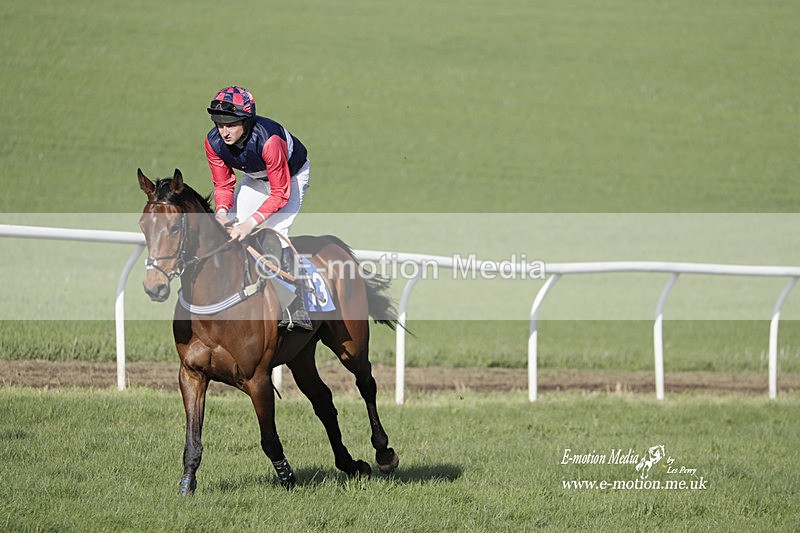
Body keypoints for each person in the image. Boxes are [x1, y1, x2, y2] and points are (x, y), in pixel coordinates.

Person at [204, 85, 312, 330]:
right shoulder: (213, 142)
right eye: (219, 124)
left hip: (291, 178)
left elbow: (280, 194)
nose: (224, 131)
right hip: (255, 176)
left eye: (231, 125)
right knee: (230, 231)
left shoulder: (269, 141)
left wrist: (250, 223)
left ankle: (297, 305)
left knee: (275, 234)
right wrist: (222, 212)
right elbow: (223, 183)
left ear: (246, 121)